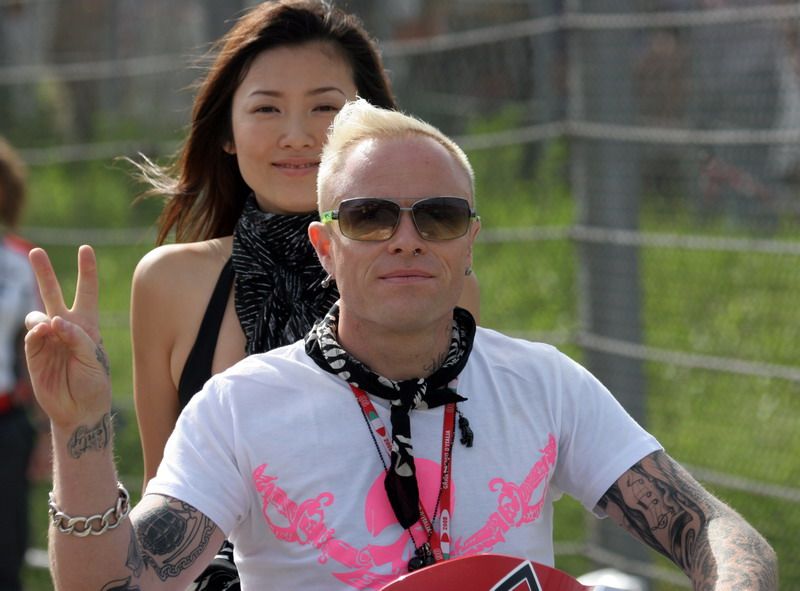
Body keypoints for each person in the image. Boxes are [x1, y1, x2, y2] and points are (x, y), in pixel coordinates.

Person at [25, 100, 777, 590]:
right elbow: (120, 582)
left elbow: (715, 530)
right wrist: (79, 428)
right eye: (370, 216)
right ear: (325, 247)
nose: (407, 239)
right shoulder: (238, 407)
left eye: (439, 216)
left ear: (469, 241)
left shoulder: (544, 384)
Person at [129, 2, 478, 586]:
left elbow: (445, 481)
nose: (297, 136)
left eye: (326, 108)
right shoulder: (169, 282)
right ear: (226, 133)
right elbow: (160, 498)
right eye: (266, 108)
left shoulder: (438, 280)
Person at [0, 136, 48, 591]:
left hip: (7, 426)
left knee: (7, 552)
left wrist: (48, 431)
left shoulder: (21, 261)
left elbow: (34, 349)